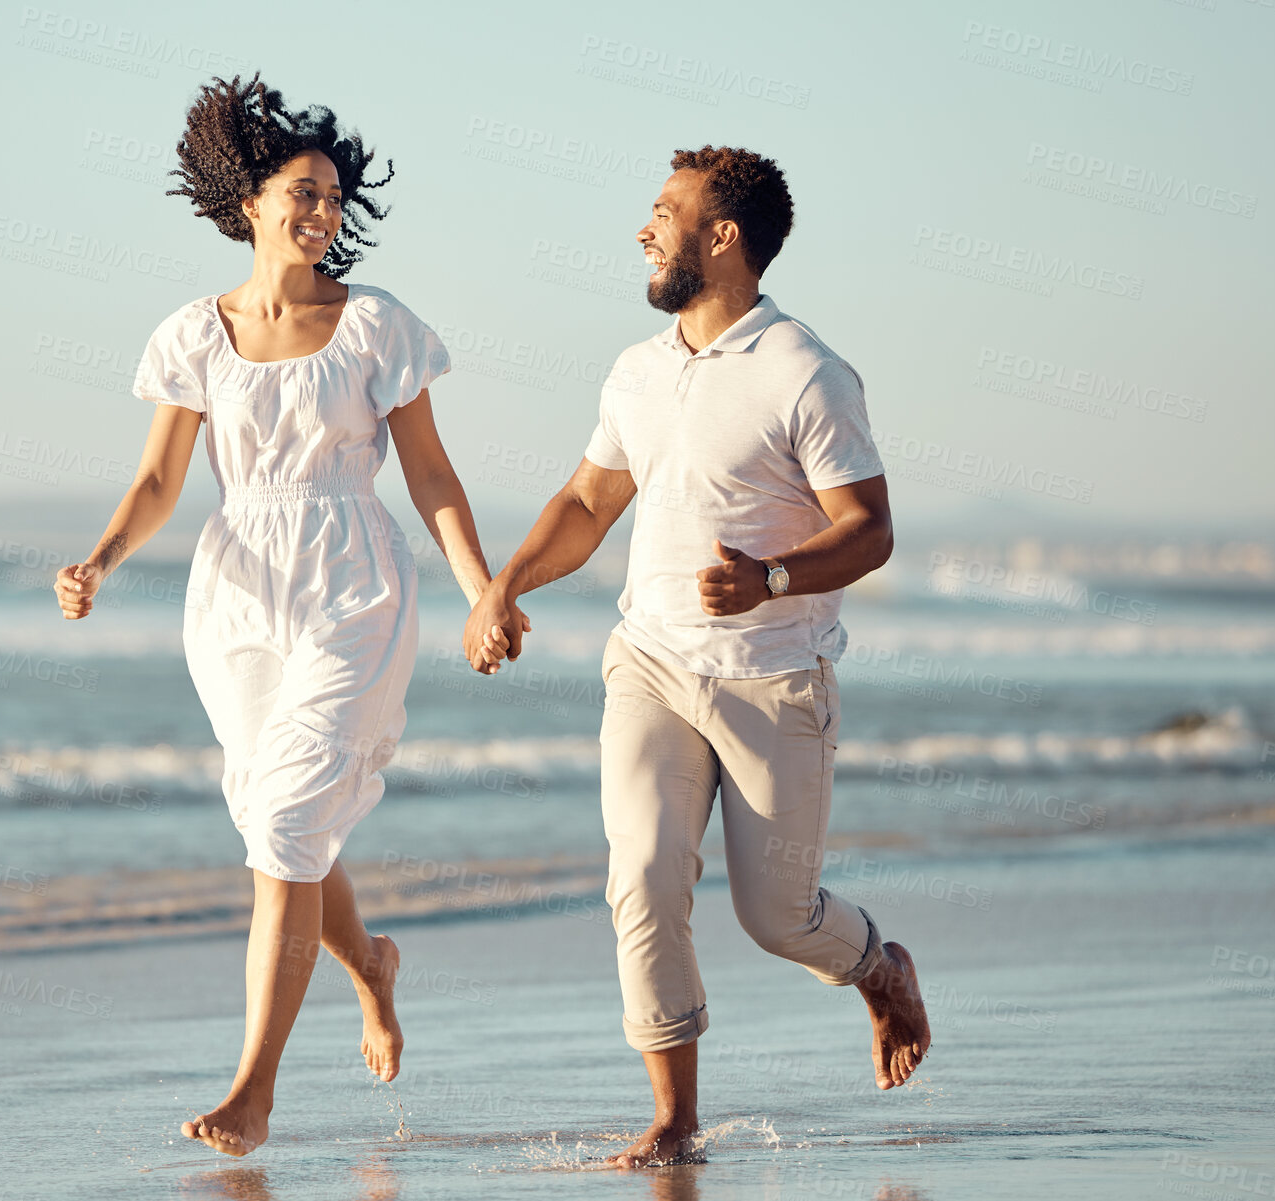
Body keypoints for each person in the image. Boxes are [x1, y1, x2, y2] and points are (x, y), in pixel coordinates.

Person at [56, 74, 500, 1158]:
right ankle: (371, 965)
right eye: (301, 192)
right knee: (278, 828)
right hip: (239, 592)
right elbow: (161, 480)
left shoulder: (375, 327)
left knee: (292, 826)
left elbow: (433, 476)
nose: (321, 212)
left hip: (355, 583)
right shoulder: (192, 336)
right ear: (246, 202)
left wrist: (483, 587)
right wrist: (102, 557)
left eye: (333, 196)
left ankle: (252, 1088)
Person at [464, 144, 931, 1167]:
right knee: (639, 874)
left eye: (665, 211)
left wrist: (770, 578)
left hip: (774, 677)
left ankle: (878, 965)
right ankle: (675, 1120)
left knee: (778, 917)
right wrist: (503, 587)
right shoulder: (638, 370)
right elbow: (590, 503)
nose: (645, 227)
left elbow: (870, 527)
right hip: (653, 665)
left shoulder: (805, 369)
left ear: (722, 238)